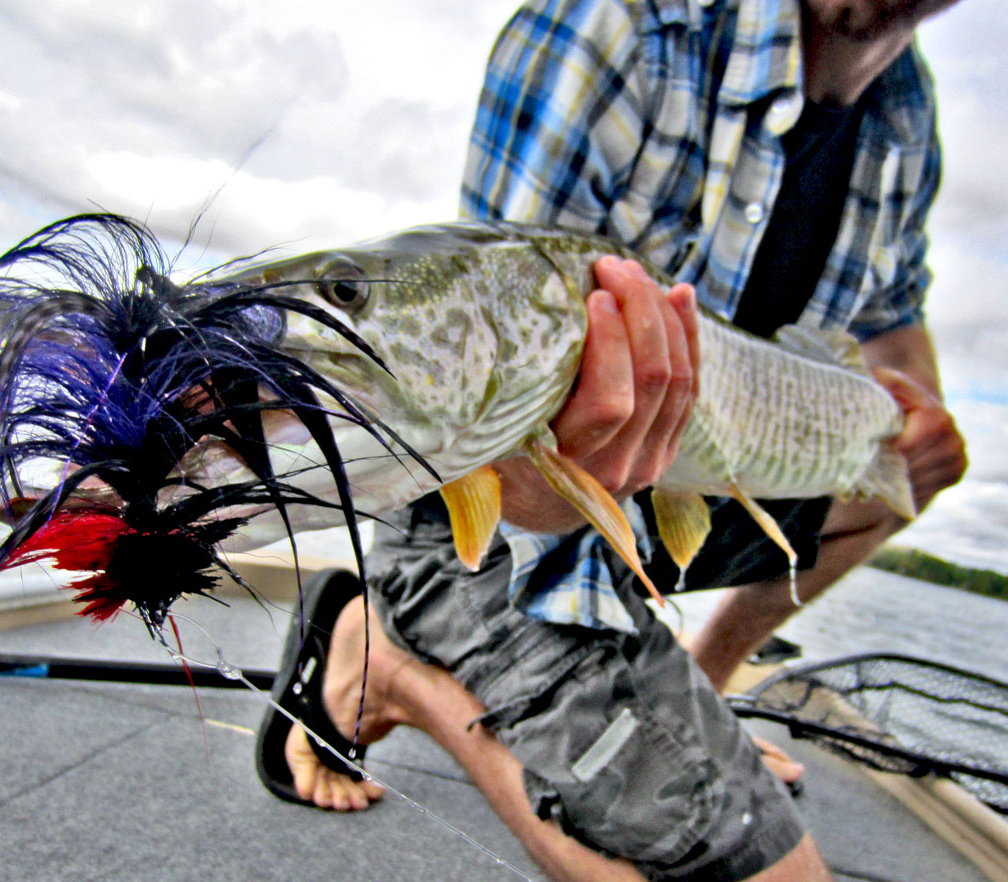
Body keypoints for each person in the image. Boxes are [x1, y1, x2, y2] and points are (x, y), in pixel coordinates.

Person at [254, 0, 968, 879]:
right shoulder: (618, 25)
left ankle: (701, 681)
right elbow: (495, 409)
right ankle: (400, 651)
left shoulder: (908, 116)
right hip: (496, 517)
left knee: (897, 480)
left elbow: (898, 319)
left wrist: (924, 412)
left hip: (664, 483)